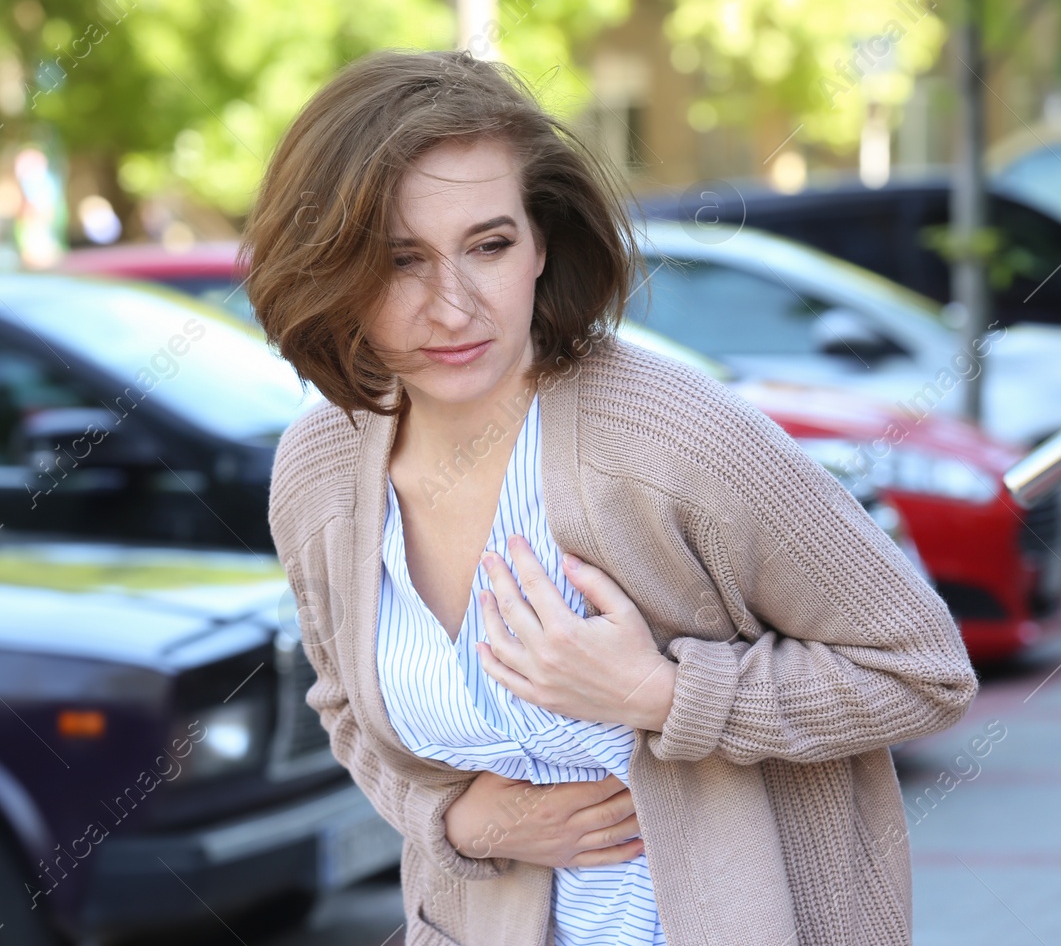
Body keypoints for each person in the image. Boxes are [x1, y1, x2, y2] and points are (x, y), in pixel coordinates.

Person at [245, 48, 979, 946]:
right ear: (331, 267)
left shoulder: (668, 435)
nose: (454, 306)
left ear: (542, 241)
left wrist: (665, 694)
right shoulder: (320, 469)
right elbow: (346, 706)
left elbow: (923, 670)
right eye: (402, 260)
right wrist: (463, 821)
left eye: (490, 244)